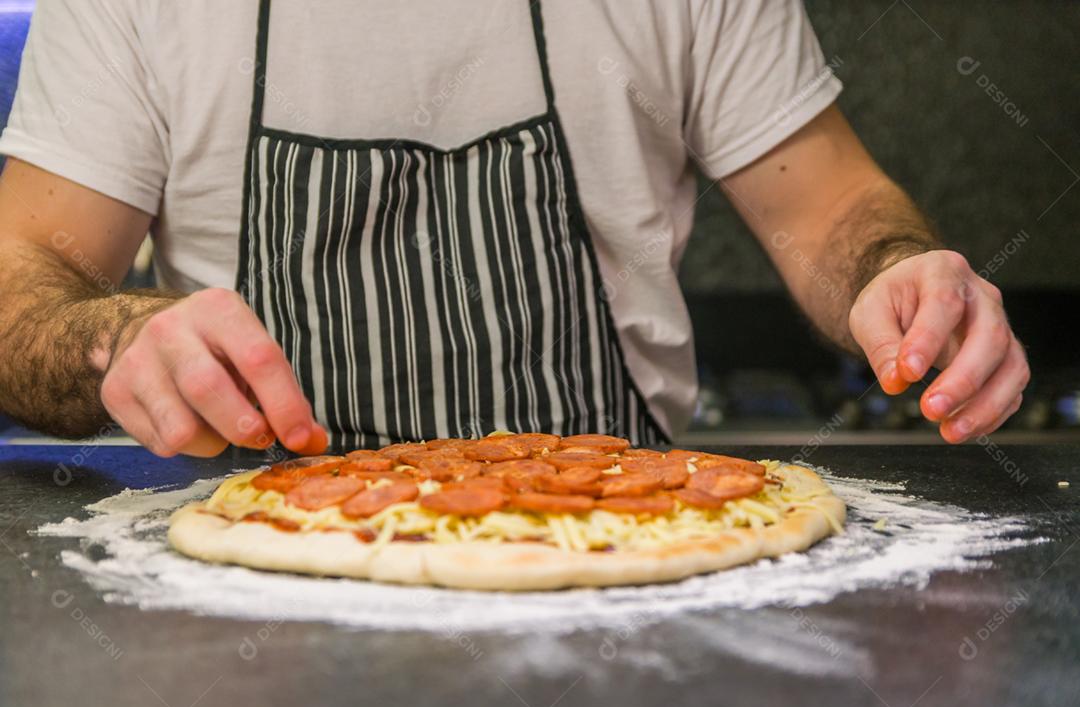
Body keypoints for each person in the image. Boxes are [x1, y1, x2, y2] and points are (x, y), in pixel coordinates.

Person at [0, 0, 1029, 456]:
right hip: (258, 584)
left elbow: (834, 208)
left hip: (626, 565)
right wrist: (116, 338)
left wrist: (898, 272)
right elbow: (20, 277)